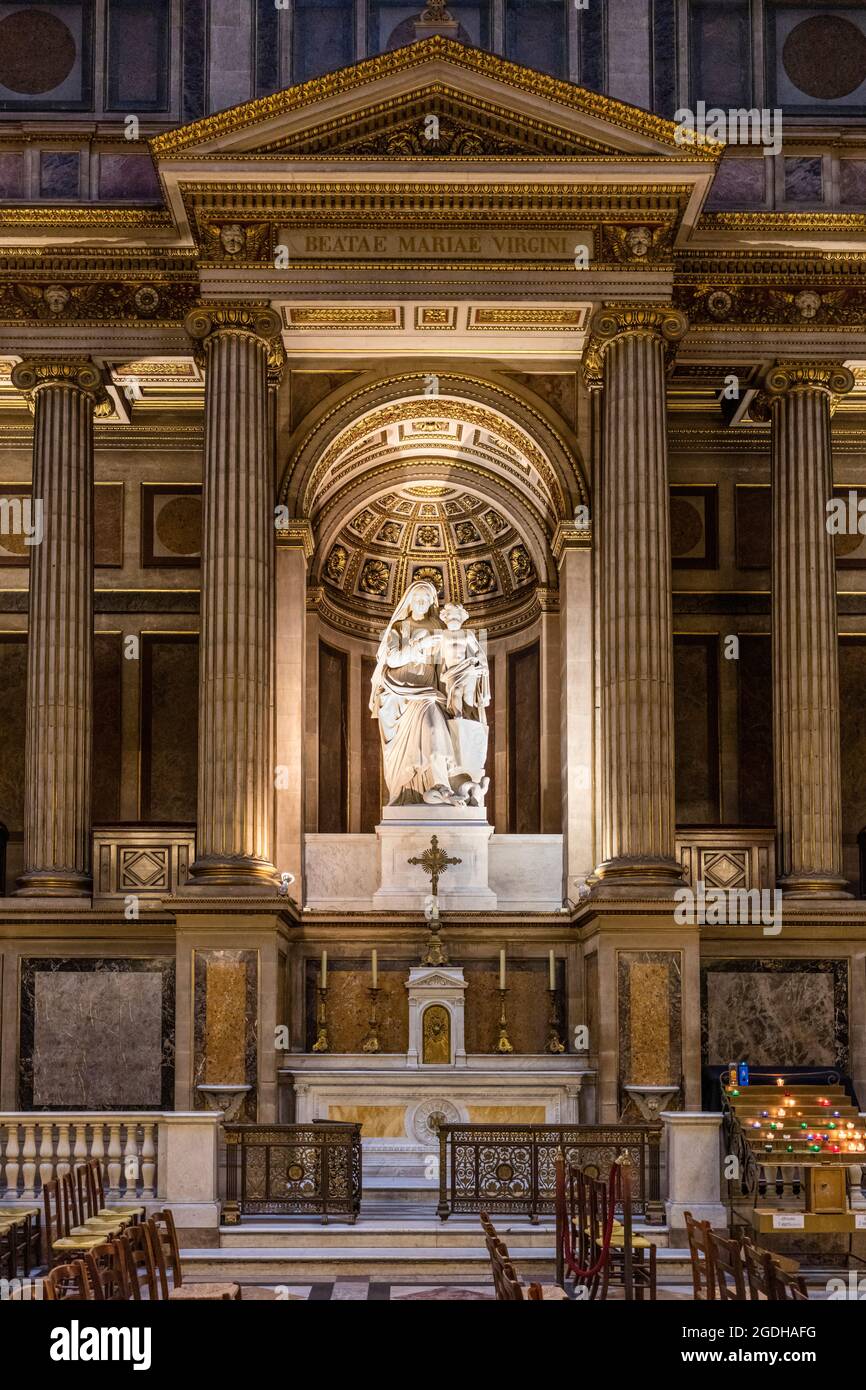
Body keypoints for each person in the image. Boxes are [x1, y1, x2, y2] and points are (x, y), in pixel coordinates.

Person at [369, 580, 461, 805]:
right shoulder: (398, 628)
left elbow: (446, 665)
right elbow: (391, 658)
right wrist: (420, 645)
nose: (421, 602)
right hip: (399, 692)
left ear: (432, 602)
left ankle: (440, 784)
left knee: (435, 723)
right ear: (409, 601)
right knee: (432, 723)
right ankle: (413, 790)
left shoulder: (439, 626)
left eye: (426, 598)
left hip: (428, 692)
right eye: (417, 598)